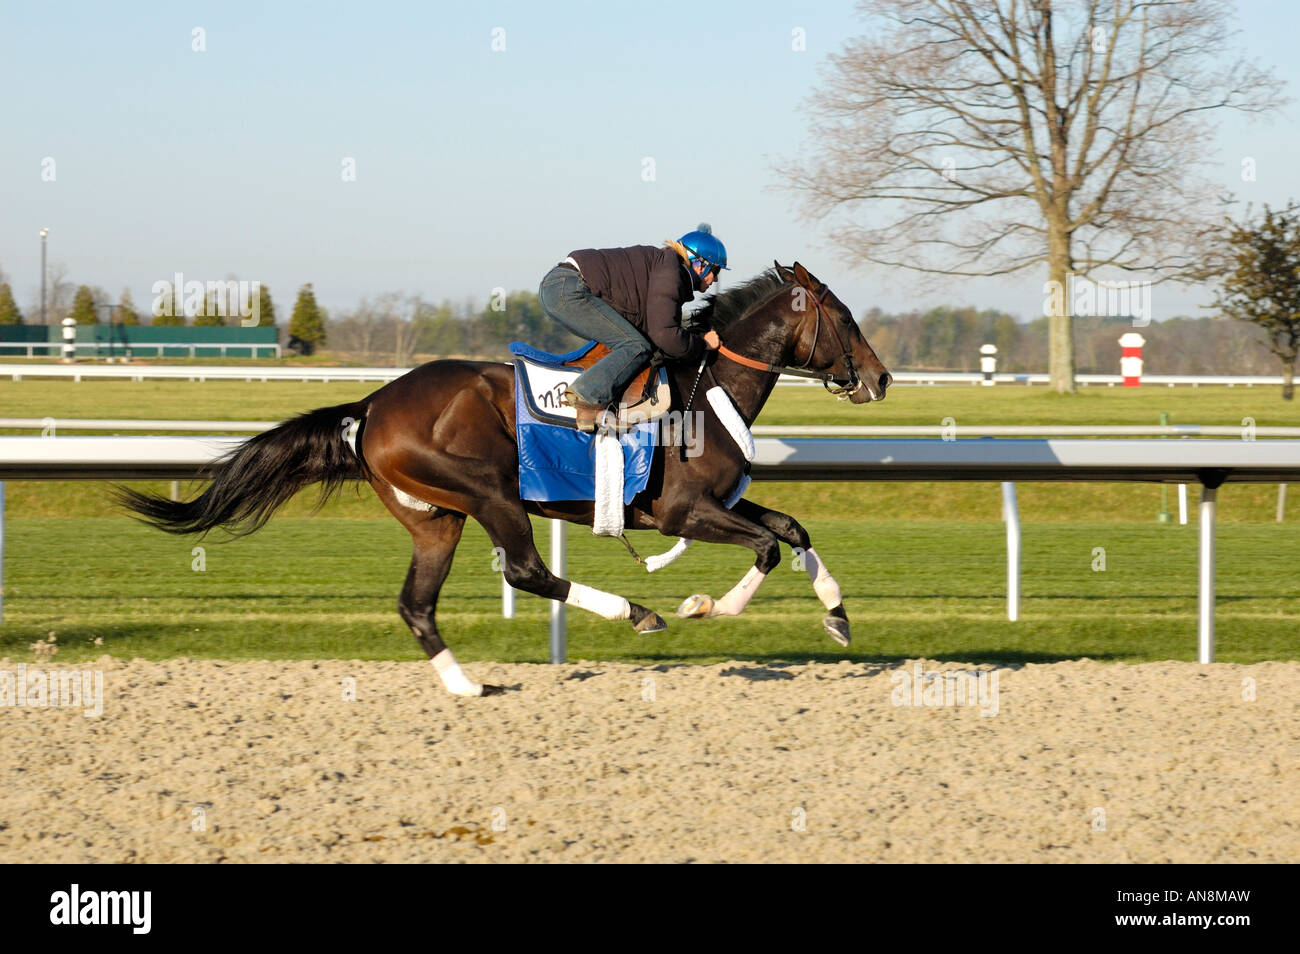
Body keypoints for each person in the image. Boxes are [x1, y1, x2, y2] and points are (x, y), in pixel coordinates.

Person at [538, 223, 727, 431]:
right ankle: (587, 400)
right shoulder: (670, 274)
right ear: (700, 264)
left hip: (563, 286)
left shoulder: (665, 268)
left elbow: (656, 332)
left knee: (636, 343)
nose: (715, 278)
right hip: (569, 290)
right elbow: (665, 335)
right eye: (715, 270)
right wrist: (702, 344)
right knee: (635, 346)